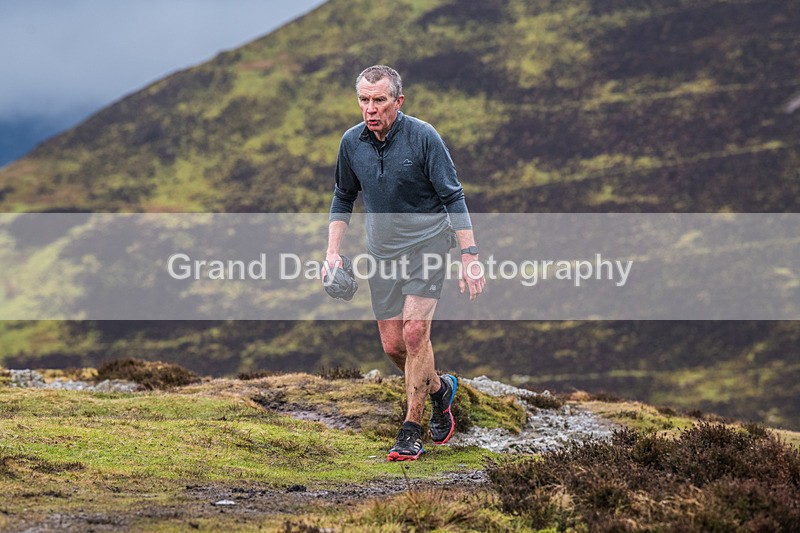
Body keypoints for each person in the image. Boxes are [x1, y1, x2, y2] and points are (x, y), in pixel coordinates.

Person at [325, 65, 485, 461]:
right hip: (381, 255)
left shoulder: (423, 137)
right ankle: (440, 389)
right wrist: (332, 253)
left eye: (379, 100)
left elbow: (453, 197)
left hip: (428, 246)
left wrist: (469, 255)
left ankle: (411, 430)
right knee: (394, 345)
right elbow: (343, 197)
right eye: (364, 99)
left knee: (415, 333)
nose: (370, 108)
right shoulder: (351, 143)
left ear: (398, 101)